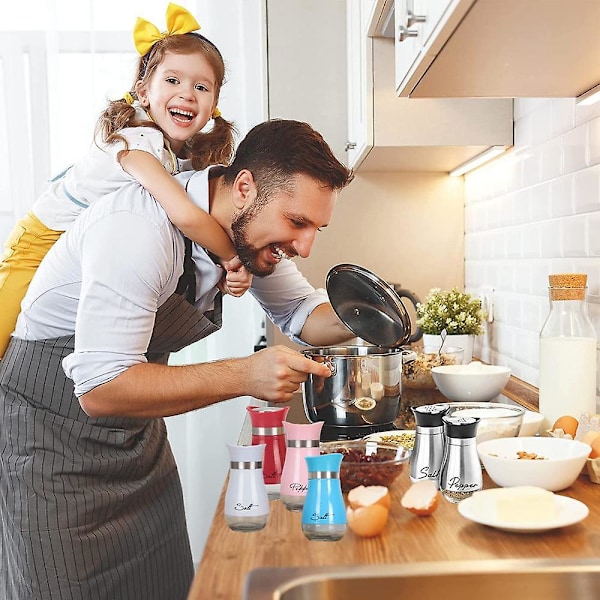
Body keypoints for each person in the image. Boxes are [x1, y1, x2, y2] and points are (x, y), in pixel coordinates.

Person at [0, 118, 355, 599]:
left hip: (135, 442)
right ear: (245, 187)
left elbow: (302, 312)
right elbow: (102, 388)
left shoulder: (244, 237)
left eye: (317, 227)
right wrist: (244, 375)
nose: (306, 246)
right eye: (297, 222)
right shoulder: (138, 229)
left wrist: (376, 313)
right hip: (52, 447)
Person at [0, 2, 251, 361]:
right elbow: (186, 217)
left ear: (214, 105)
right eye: (172, 80)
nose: (186, 93)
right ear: (144, 92)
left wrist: (227, 271)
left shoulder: (179, 159)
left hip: (80, 252)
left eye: (201, 86)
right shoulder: (137, 141)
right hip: (38, 244)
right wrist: (231, 257)